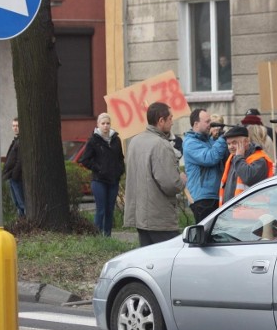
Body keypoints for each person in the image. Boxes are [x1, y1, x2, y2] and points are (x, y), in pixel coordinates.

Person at [124, 102, 186, 247]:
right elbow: (171, 184)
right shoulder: (160, 144)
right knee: (169, 261)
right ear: (161, 121)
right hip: (159, 217)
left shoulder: (135, 141)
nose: (172, 122)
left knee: (149, 263)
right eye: (170, 118)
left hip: (141, 216)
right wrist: (182, 180)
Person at [79, 113, 125, 236]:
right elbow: (85, 160)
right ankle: (97, 235)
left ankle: (108, 235)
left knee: (110, 210)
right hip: (99, 180)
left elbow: (120, 158)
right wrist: (98, 168)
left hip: (113, 180)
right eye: (103, 123)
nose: (105, 126)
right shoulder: (93, 140)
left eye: (108, 123)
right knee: (101, 209)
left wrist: (120, 170)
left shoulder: (116, 140)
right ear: (98, 125)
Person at [183, 109, 228, 223]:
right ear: (196, 124)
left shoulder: (207, 140)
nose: (211, 124)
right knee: (205, 237)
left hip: (213, 196)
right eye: (207, 122)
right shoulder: (190, 143)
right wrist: (223, 139)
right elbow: (210, 157)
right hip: (203, 199)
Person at [219, 126, 273, 205]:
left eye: (234, 143)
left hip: (251, 213)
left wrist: (239, 158)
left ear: (246, 141)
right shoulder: (234, 158)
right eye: (228, 144)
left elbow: (249, 178)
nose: (230, 147)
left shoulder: (259, 159)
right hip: (232, 212)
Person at [2, 117, 25, 217]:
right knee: (17, 203)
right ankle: (21, 222)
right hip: (12, 176)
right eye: (13, 126)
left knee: (21, 202)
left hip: (16, 177)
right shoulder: (16, 141)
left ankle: (24, 222)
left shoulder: (20, 141)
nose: (15, 128)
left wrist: (14, 174)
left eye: (17, 126)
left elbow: (20, 160)